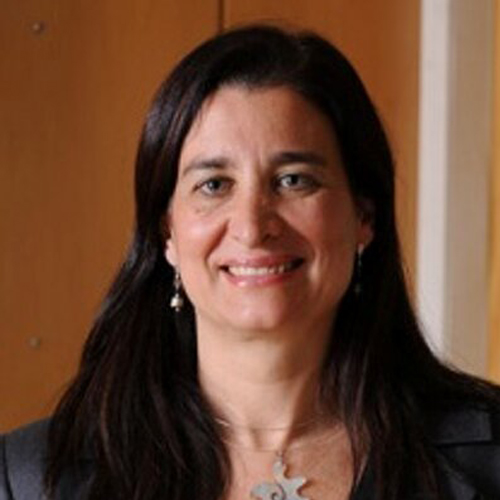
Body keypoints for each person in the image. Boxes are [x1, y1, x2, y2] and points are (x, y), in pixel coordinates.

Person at [1, 24, 500, 500]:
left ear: (364, 215)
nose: (252, 226)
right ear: (167, 232)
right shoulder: (28, 481)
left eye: (293, 180)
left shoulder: (490, 457)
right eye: (214, 185)